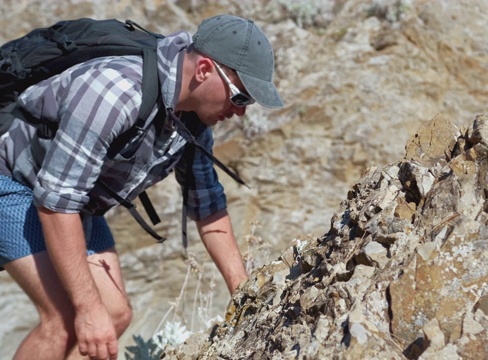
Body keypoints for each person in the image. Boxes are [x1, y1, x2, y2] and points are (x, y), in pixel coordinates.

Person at [0, 14, 284, 360]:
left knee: (115, 314)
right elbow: (56, 206)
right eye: (240, 97)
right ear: (205, 70)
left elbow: (208, 207)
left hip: (73, 198)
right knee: (67, 317)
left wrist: (245, 296)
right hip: (14, 180)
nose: (240, 113)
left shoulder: (191, 122)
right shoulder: (114, 92)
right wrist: (88, 308)